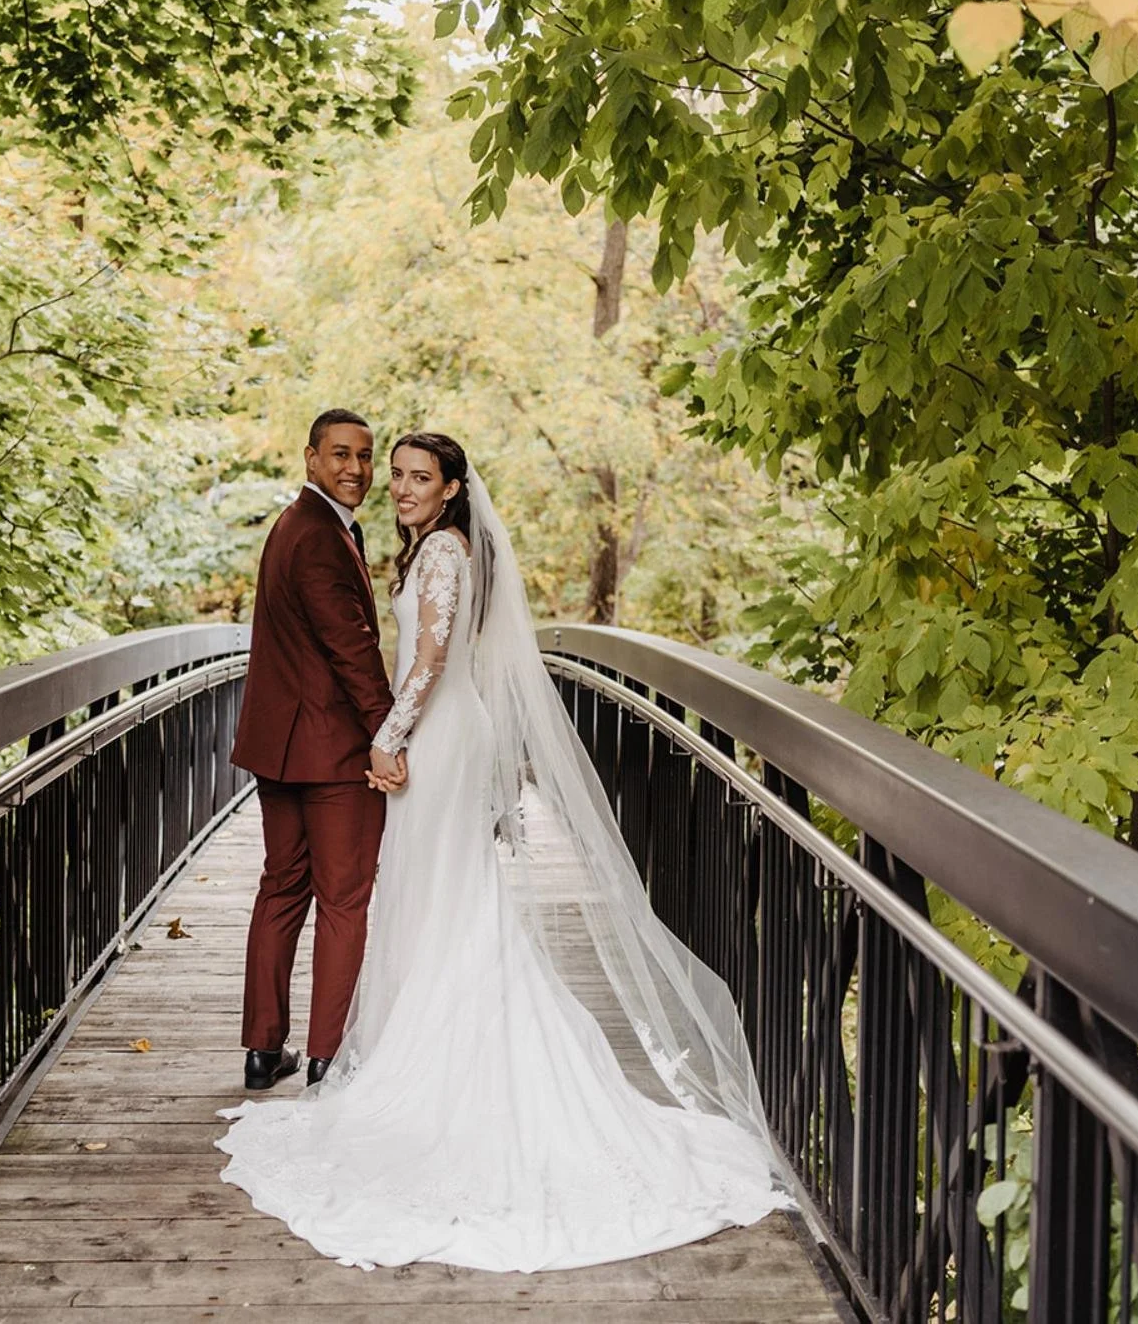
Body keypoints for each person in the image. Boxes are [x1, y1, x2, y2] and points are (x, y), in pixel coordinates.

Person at [216, 432, 791, 1272]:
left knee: (435, 893)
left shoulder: (442, 554)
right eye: (398, 476)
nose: (400, 488)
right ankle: (399, 1043)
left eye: (418, 477)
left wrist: (387, 735)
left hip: (438, 742)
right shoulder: (415, 546)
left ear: (452, 489)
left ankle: (412, 1055)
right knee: (432, 896)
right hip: (431, 737)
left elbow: (432, 660)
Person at [228, 409, 403, 1093]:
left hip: (281, 749)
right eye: (340, 455)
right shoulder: (323, 537)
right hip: (333, 753)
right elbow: (353, 653)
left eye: (365, 456)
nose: (355, 469)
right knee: (344, 900)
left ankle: (262, 1050)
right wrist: (388, 736)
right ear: (309, 458)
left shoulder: (292, 526)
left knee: (281, 890)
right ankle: (327, 1056)